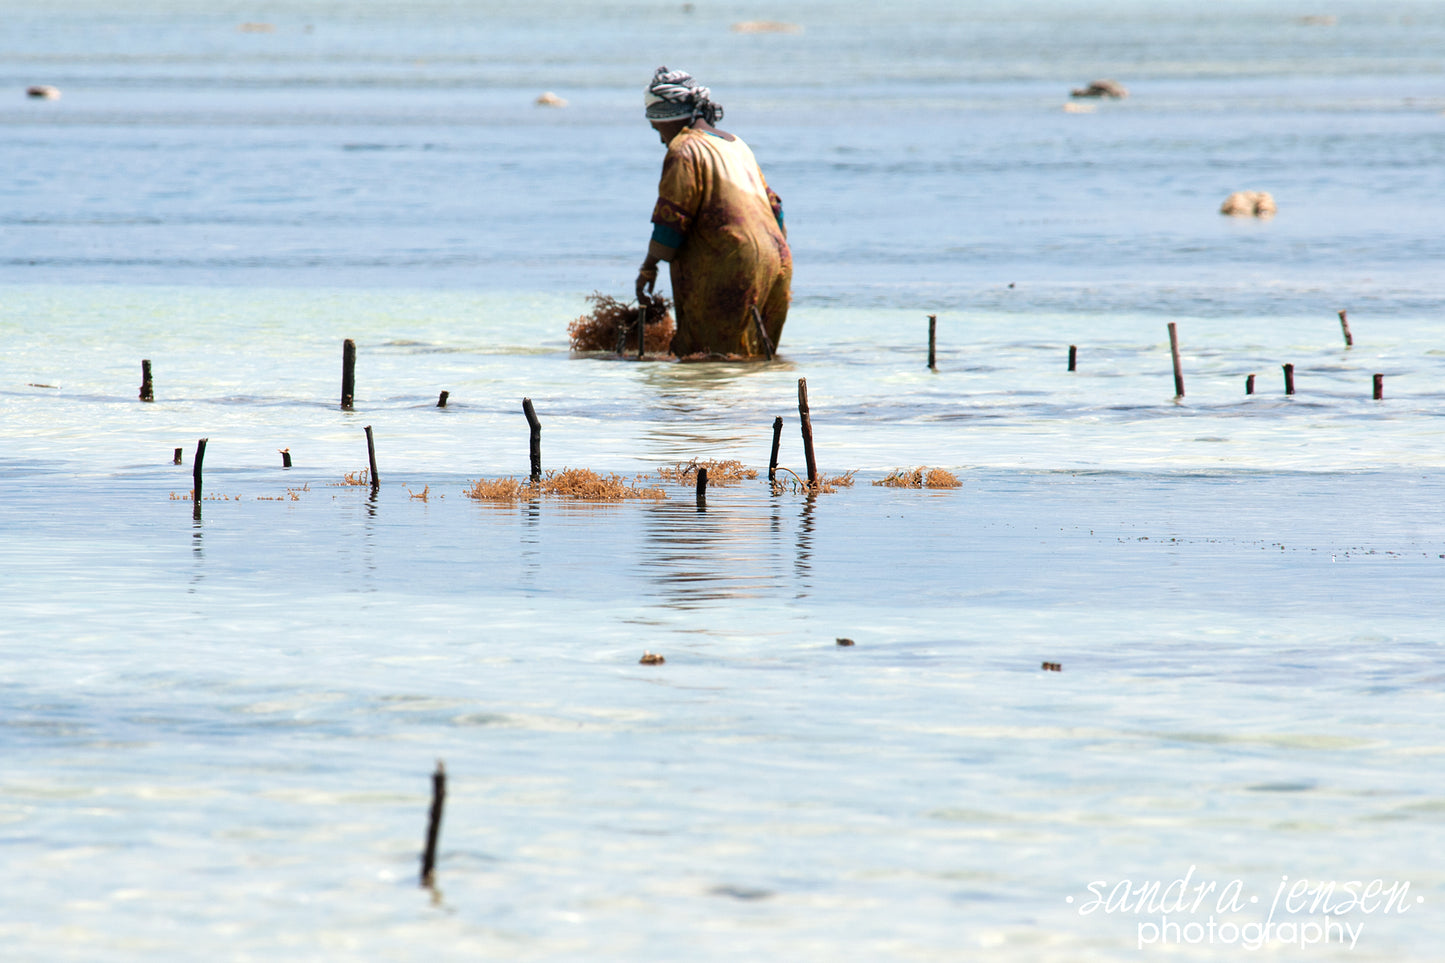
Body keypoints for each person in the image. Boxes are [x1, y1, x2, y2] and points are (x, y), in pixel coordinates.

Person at [635, 66, 792, 358]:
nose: (660, 139)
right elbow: (775, 208)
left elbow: (672, 219)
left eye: (658, 129)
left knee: (708, 359)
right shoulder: (737, 144)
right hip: (777, 261)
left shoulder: (684, 149)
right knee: (755, 361)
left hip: (729, 262)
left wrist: (649, 266)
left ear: (669, 117)